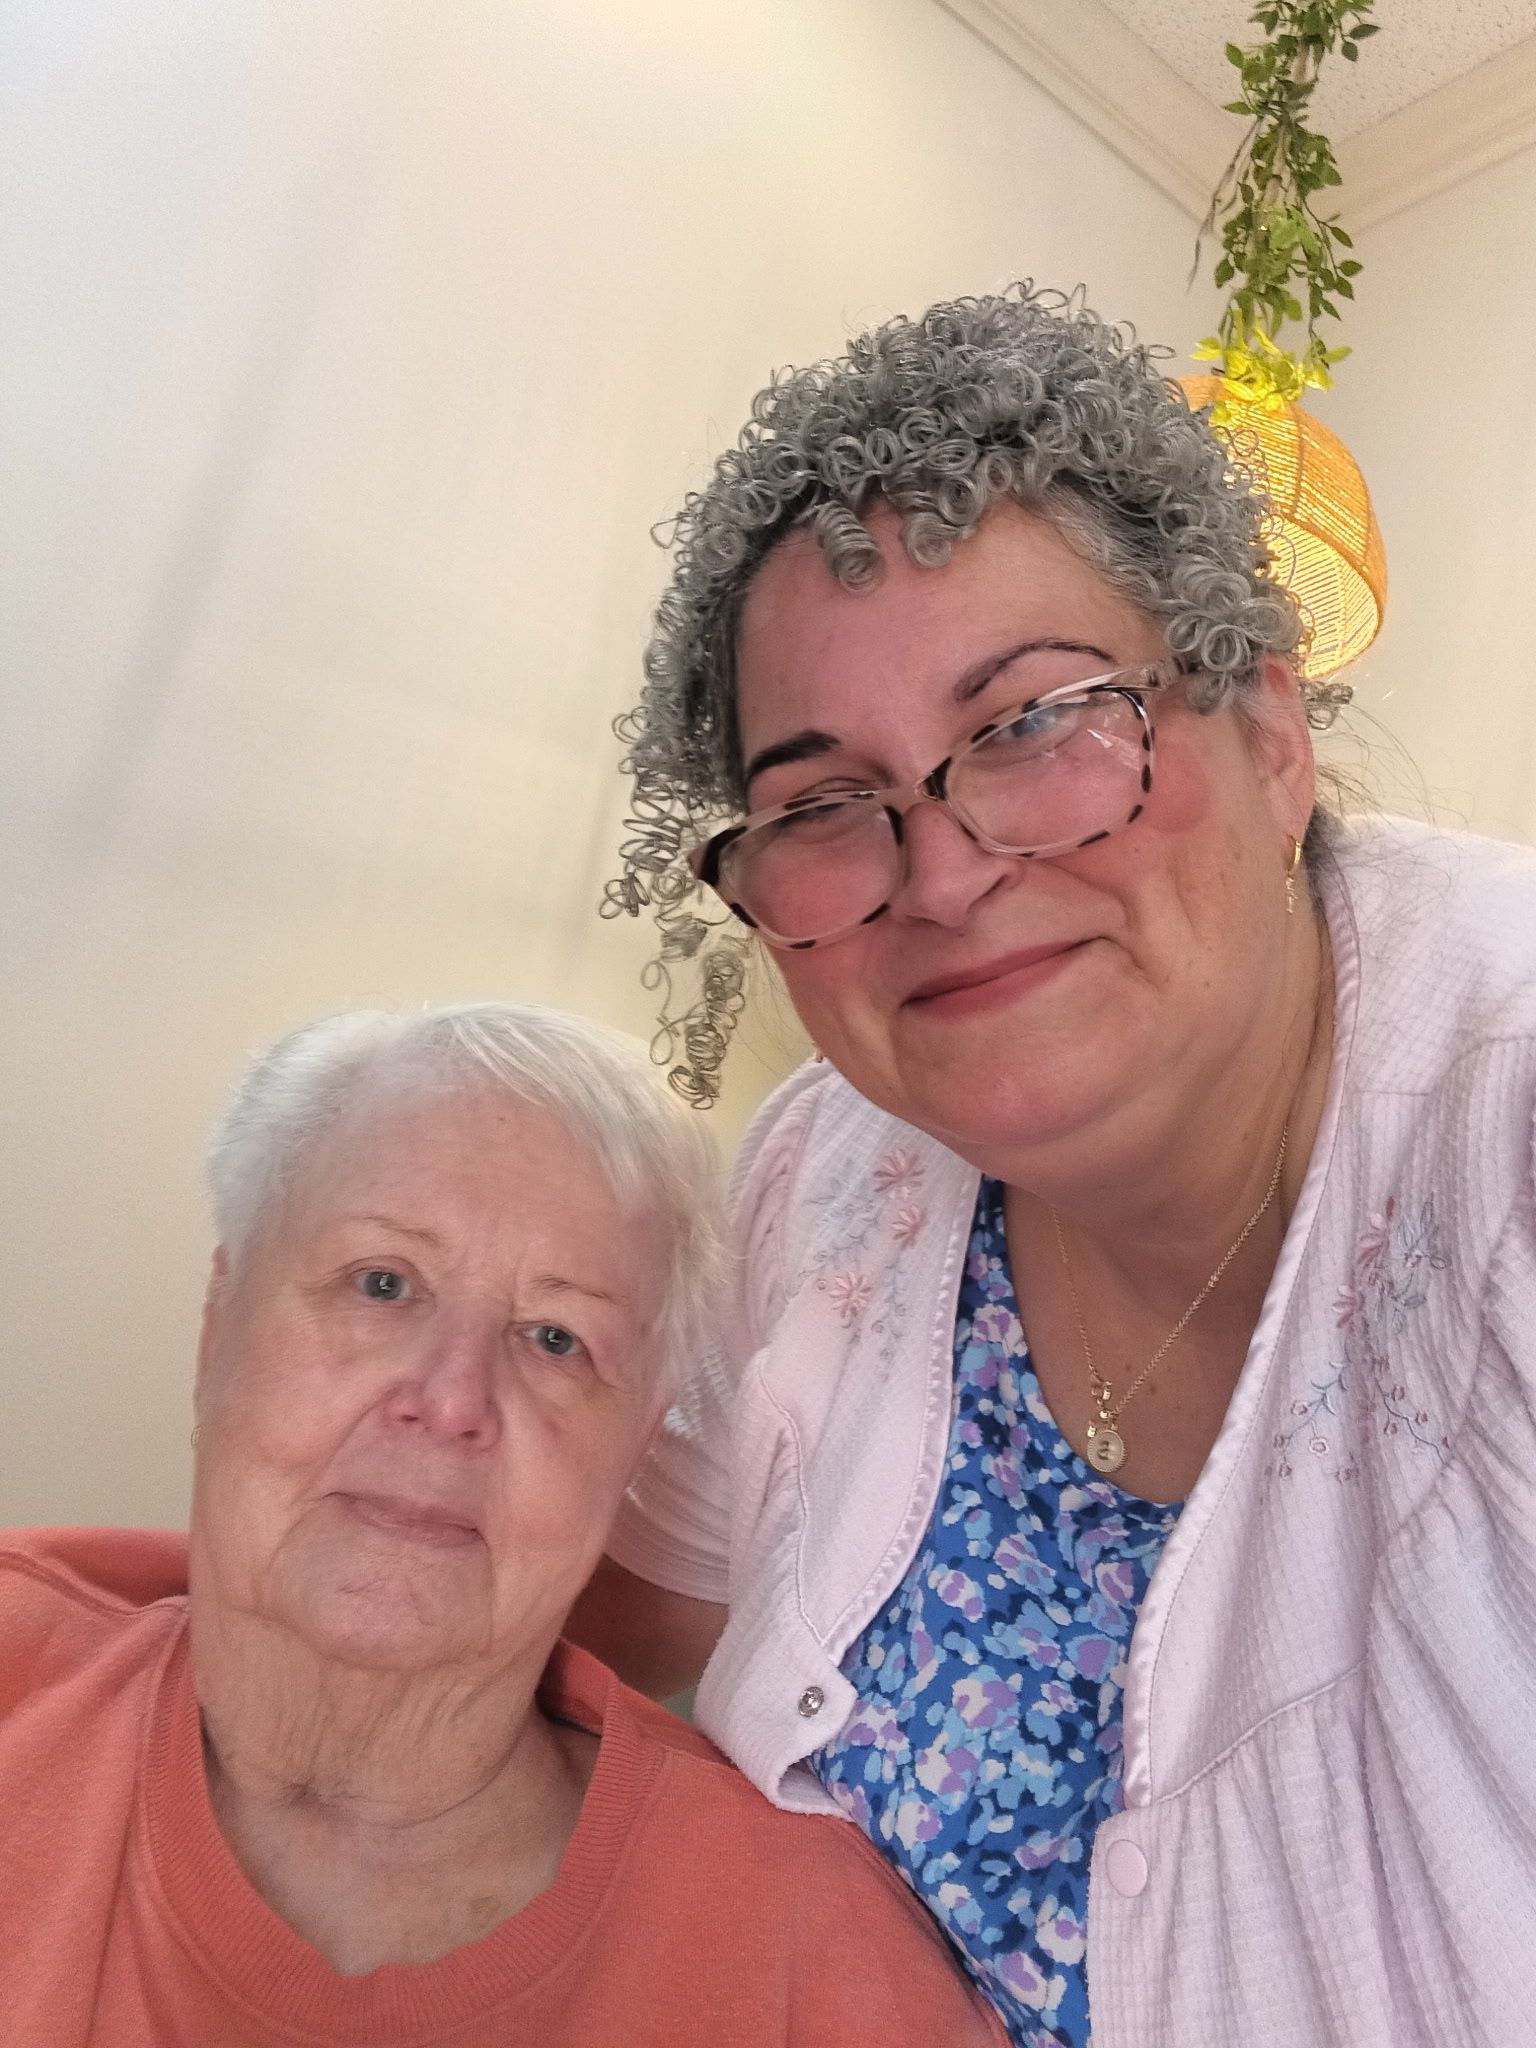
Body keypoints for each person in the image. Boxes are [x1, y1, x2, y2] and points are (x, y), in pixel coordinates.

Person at [578, 286, 1536, 2048]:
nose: (935, 871)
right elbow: (603, 1600)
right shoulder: (820, 1175)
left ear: (1266, 731)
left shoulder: (1503, 1117)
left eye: (1030, 721)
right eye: (817, 799)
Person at [0, 1002, 1005, 2048]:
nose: (451, 1399)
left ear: (639, 1442)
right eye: (382, 1282)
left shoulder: (817, 1958)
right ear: (220, 1328)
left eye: (557, 1337)